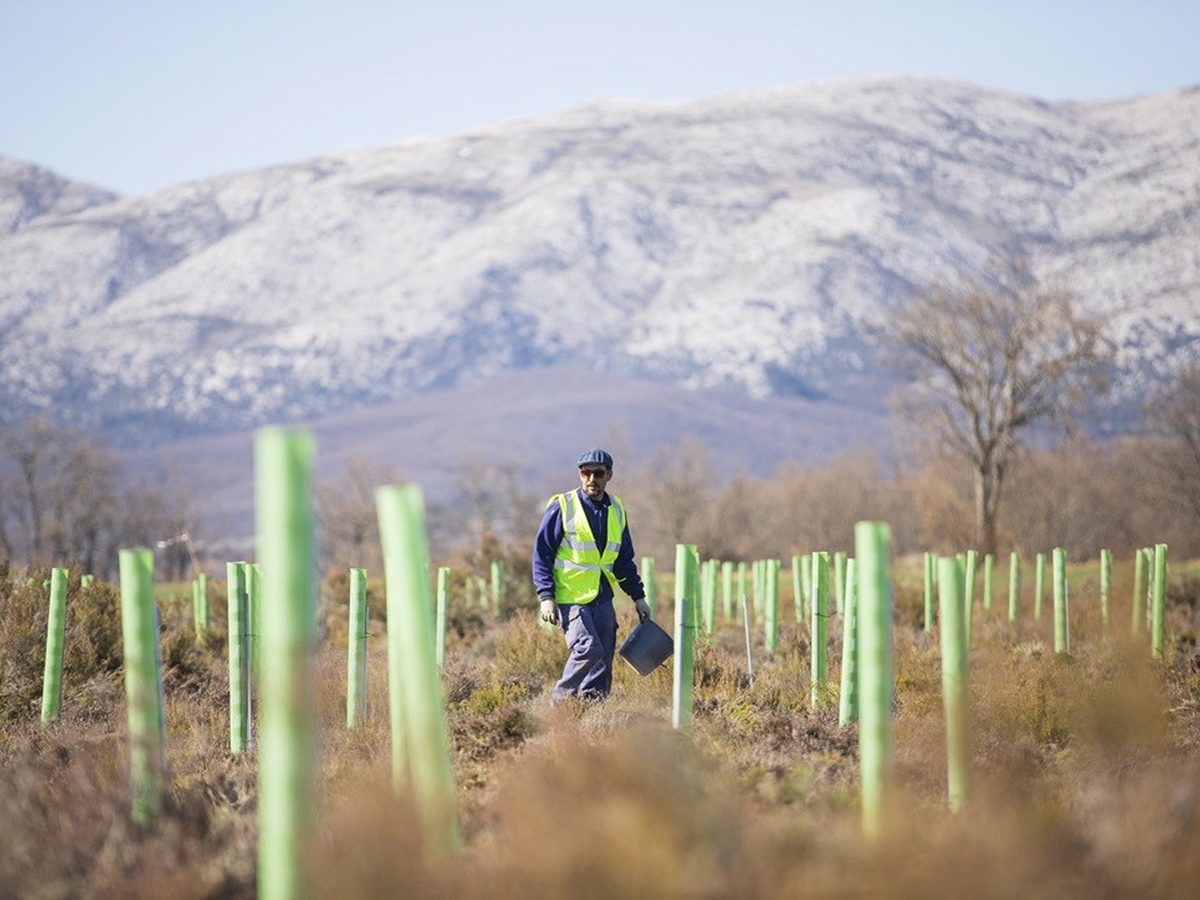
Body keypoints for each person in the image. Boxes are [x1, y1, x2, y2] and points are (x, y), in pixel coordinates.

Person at [531, 448, 651, 702]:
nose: (591, 479)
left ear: (609, 475)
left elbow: (623, 560)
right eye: (586, 473)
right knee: (588, 648)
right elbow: (542, 554)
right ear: (580, 474)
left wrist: (638, 597)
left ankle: (592, 713)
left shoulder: (617, 509)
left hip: (602, 595)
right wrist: (546, 596)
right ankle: (560, 703)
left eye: (598, 473)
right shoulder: (562, 506)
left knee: (603, 657)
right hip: (571, 595)